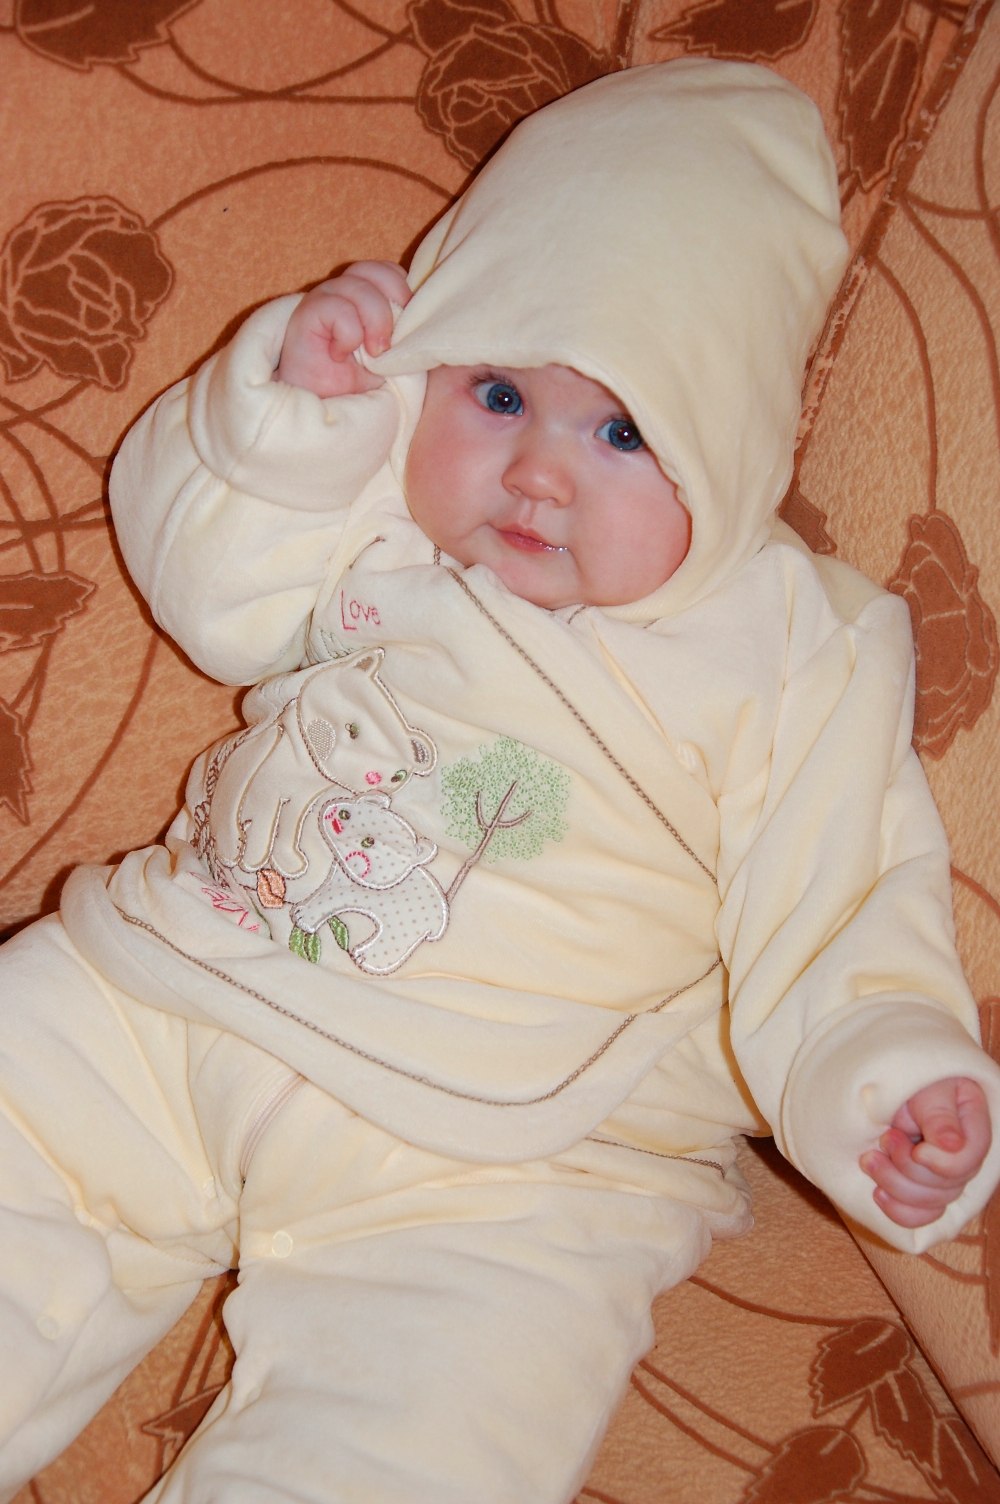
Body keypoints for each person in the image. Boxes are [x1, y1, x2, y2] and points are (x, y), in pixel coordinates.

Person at [1, 57, 998, 1504]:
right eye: (499, 391)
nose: (536, 473)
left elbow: (839, 888)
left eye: (622, 431)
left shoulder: (796, 645)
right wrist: (296, 414)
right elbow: (214, 591)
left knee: (426, 1434)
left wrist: (880, 1071)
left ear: (733, 445)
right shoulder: (383, 487)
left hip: (523, 1158)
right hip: (188, 986)